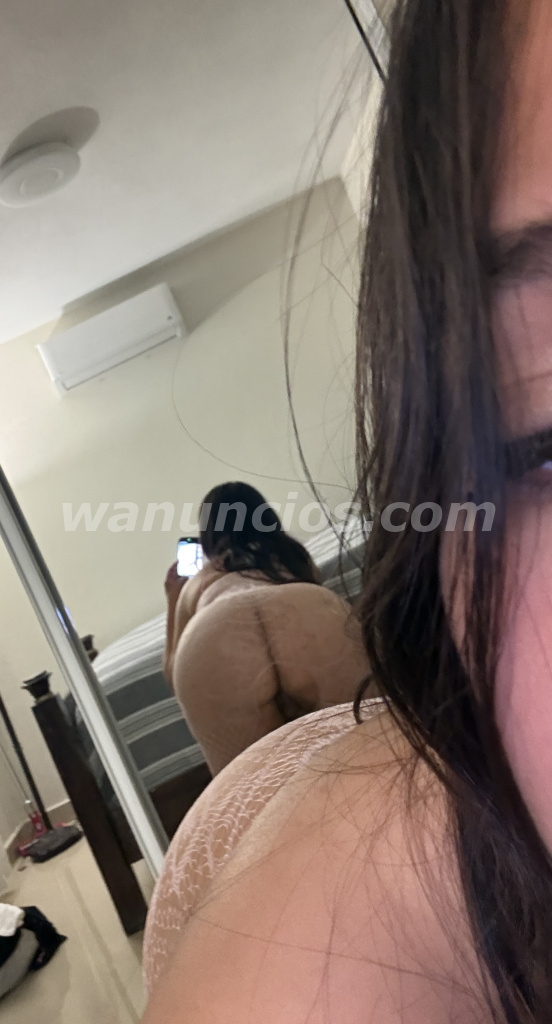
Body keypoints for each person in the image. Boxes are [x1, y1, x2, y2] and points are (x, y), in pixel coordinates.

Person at [142, 1, 552, 1020]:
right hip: (303, 621)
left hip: (214, 647)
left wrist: (177, 595)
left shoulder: (196, 580)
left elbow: (178, 651)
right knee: (366, 726)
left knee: (256, 782)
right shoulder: (285, 570)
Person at [163, 481, 369, 774]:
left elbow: (173, 673)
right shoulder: (292, 554)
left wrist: (172, 597)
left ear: (207, 535)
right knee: (366, 754)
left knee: (249, 786)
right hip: (305, 607)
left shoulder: (197, 583)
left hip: (213, 628)